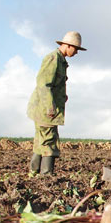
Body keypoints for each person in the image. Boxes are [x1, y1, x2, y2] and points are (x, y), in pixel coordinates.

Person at [27, 31, 87, 175]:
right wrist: (50, 106)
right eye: (76, 49)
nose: (77, 52)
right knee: (50, 141)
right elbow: (43, 84)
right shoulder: (53, 59)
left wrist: (62, 96)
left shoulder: (60, 60)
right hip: (45, 108)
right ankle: (46, 176)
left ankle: (34, 172)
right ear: (67, 46)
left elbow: (54, 85)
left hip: (45, 107)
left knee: (41, 141)